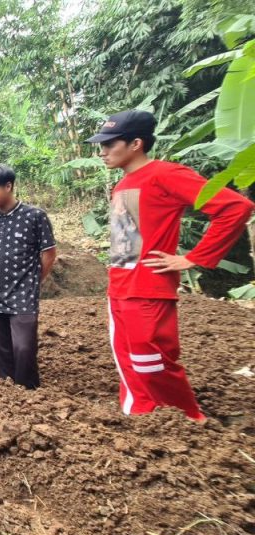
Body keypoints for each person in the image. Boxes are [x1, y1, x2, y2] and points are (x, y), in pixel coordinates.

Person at [86, 110, 255, 421]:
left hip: (148, 288)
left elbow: (235, 207)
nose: (103, 152)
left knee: (152, 360)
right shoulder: (123, 184)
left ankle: (186, 420)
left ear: (136, 143)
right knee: (127, 358)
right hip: (121, 287)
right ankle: (142, 415)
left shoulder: (166, 174)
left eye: (110, 144)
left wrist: (195, 258)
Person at [0, 165, 56, 390]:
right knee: (0, 346)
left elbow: (49, 254)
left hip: (22, 292)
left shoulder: (35, 216)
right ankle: (7, 388)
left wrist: (33, 281)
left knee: (24, 346)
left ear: (8, 186)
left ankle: (28, 390)